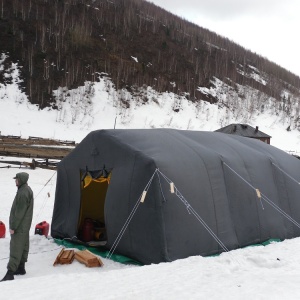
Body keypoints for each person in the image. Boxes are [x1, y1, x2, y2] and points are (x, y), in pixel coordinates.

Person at [1, 172, 34, 282]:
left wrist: (13, 226)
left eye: (17, 179)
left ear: (22, 180)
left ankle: (10, 273)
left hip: (20, 226)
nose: (16, 181)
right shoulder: (26, 190)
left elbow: (19, 213)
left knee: (16, 247)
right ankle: (21, 268)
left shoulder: (23, 193)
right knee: (24, 245)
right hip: (25, 225)